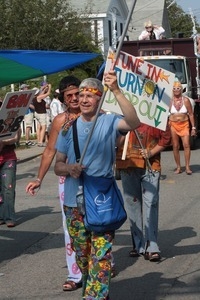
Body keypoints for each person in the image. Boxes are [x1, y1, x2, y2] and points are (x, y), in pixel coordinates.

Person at [54, 71, 140, 300]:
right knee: (84, 257)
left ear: (99, 98)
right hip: (74, 204)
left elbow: (134, 121)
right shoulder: (67, 128)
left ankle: (95, 297)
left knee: (100, 257)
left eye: (89, 95)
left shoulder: (110, 121)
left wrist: (116, 90)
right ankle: (95, 291)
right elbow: (58, 166)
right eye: (80, 95)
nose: (83, 99)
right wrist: (69, 169)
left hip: (101, 200)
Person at [26, 76, 82, 291]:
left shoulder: (96, 115)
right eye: (70, 95)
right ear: (63, 98)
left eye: (78, 93)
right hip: (66, 178)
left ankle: (103, 263)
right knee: (71, 227)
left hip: (94, 178)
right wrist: (39, 178)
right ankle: (75, 274)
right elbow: (49, 151)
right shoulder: (60, 121)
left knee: (98, 223)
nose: (75, 98)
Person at [116, 123, 171, 262]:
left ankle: (152, 245)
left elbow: (166, 138)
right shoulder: (123, 116)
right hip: (128, 163)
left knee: (151, 202)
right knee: (132, 203)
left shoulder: (158, 112)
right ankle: (138, 244)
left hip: (151, 164)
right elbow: (113, 139)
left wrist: (151, 152)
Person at [168, 81, 196, 174]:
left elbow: (191, 114)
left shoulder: (186, 100)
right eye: (174, 88)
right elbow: (165, 113)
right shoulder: (169, 100)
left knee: (186, 145)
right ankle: (178, 167)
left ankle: (187, 167)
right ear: (172, 90)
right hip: (173, 124)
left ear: (181, 89)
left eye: (178, 88)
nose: (176, 90)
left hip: (184, 124)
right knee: (175, 146)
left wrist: (193, 128)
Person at [0, 128, 21, 227]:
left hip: (8, 158)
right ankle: (1, 216)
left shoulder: (9, 116)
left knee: (8, 187)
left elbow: (17, 137)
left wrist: (3, 142)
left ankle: (9, 217)